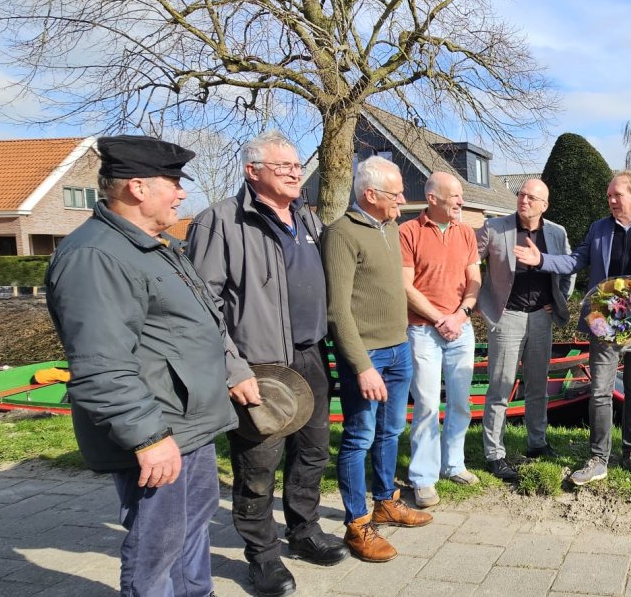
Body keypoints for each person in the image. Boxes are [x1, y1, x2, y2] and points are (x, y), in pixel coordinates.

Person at [45, 135, 238, 596]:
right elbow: (101, 365)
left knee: (191, 528)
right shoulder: (96, 257)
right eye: (173, 183)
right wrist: (148, 437)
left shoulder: (153, 246)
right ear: (137, 187)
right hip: (158, 429)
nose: (182, 193)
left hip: (187, 424)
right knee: (157, 544)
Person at [186, 131, 347, 597]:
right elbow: (201, 308)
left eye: (297, 166)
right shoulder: (220, 222)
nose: (296, 174)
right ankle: (262, 555)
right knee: (258, 464)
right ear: (252, 171)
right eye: (284, 167)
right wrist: (232, 368)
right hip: (260, 365)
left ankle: (304, 530)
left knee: (313, 451)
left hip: (311, 355)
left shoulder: (307, 218)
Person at [514, 170, 631, 485]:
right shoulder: (599, 228)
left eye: (616, 195)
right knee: (599, 392)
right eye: (609, 196)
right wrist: (541, 260)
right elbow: (574, 262)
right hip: (604, 324)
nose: (611, 201)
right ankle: (598, 459)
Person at [322, 156, 434, 562]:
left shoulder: (389, 228)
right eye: (395, 194)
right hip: (367, 355)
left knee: (390, 431)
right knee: (359, 437)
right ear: (370, 194)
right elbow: (337, 310)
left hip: (398, 348)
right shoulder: (341, 234)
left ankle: (386, 501)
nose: (403, 200)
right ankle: (357, 523)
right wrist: (362, 366)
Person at [475, 178, 574, 481]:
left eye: (532, 197)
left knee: (538, 385)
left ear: (544, 205)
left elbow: (568, 266)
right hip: (507, 318)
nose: (524, 200)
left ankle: (537, 442)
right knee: (500, 387)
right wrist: (482, 302)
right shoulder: (494, 228)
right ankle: (495, 454)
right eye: (521, 194)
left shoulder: (556, 232)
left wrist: (558, 299)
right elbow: (467, 263)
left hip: (541, 318)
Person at [400, 171, 482, 508]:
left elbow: (475, 279)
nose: (461, 201)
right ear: (433, 198)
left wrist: (461, 315)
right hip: (422, 330)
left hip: (461, 328)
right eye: (455, 196)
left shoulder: (466, 232)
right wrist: (438, 318)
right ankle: (423, 477)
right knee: (427, 404)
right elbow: (405, 286)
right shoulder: (408, 232)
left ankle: (453, 464)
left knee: (461, 401)